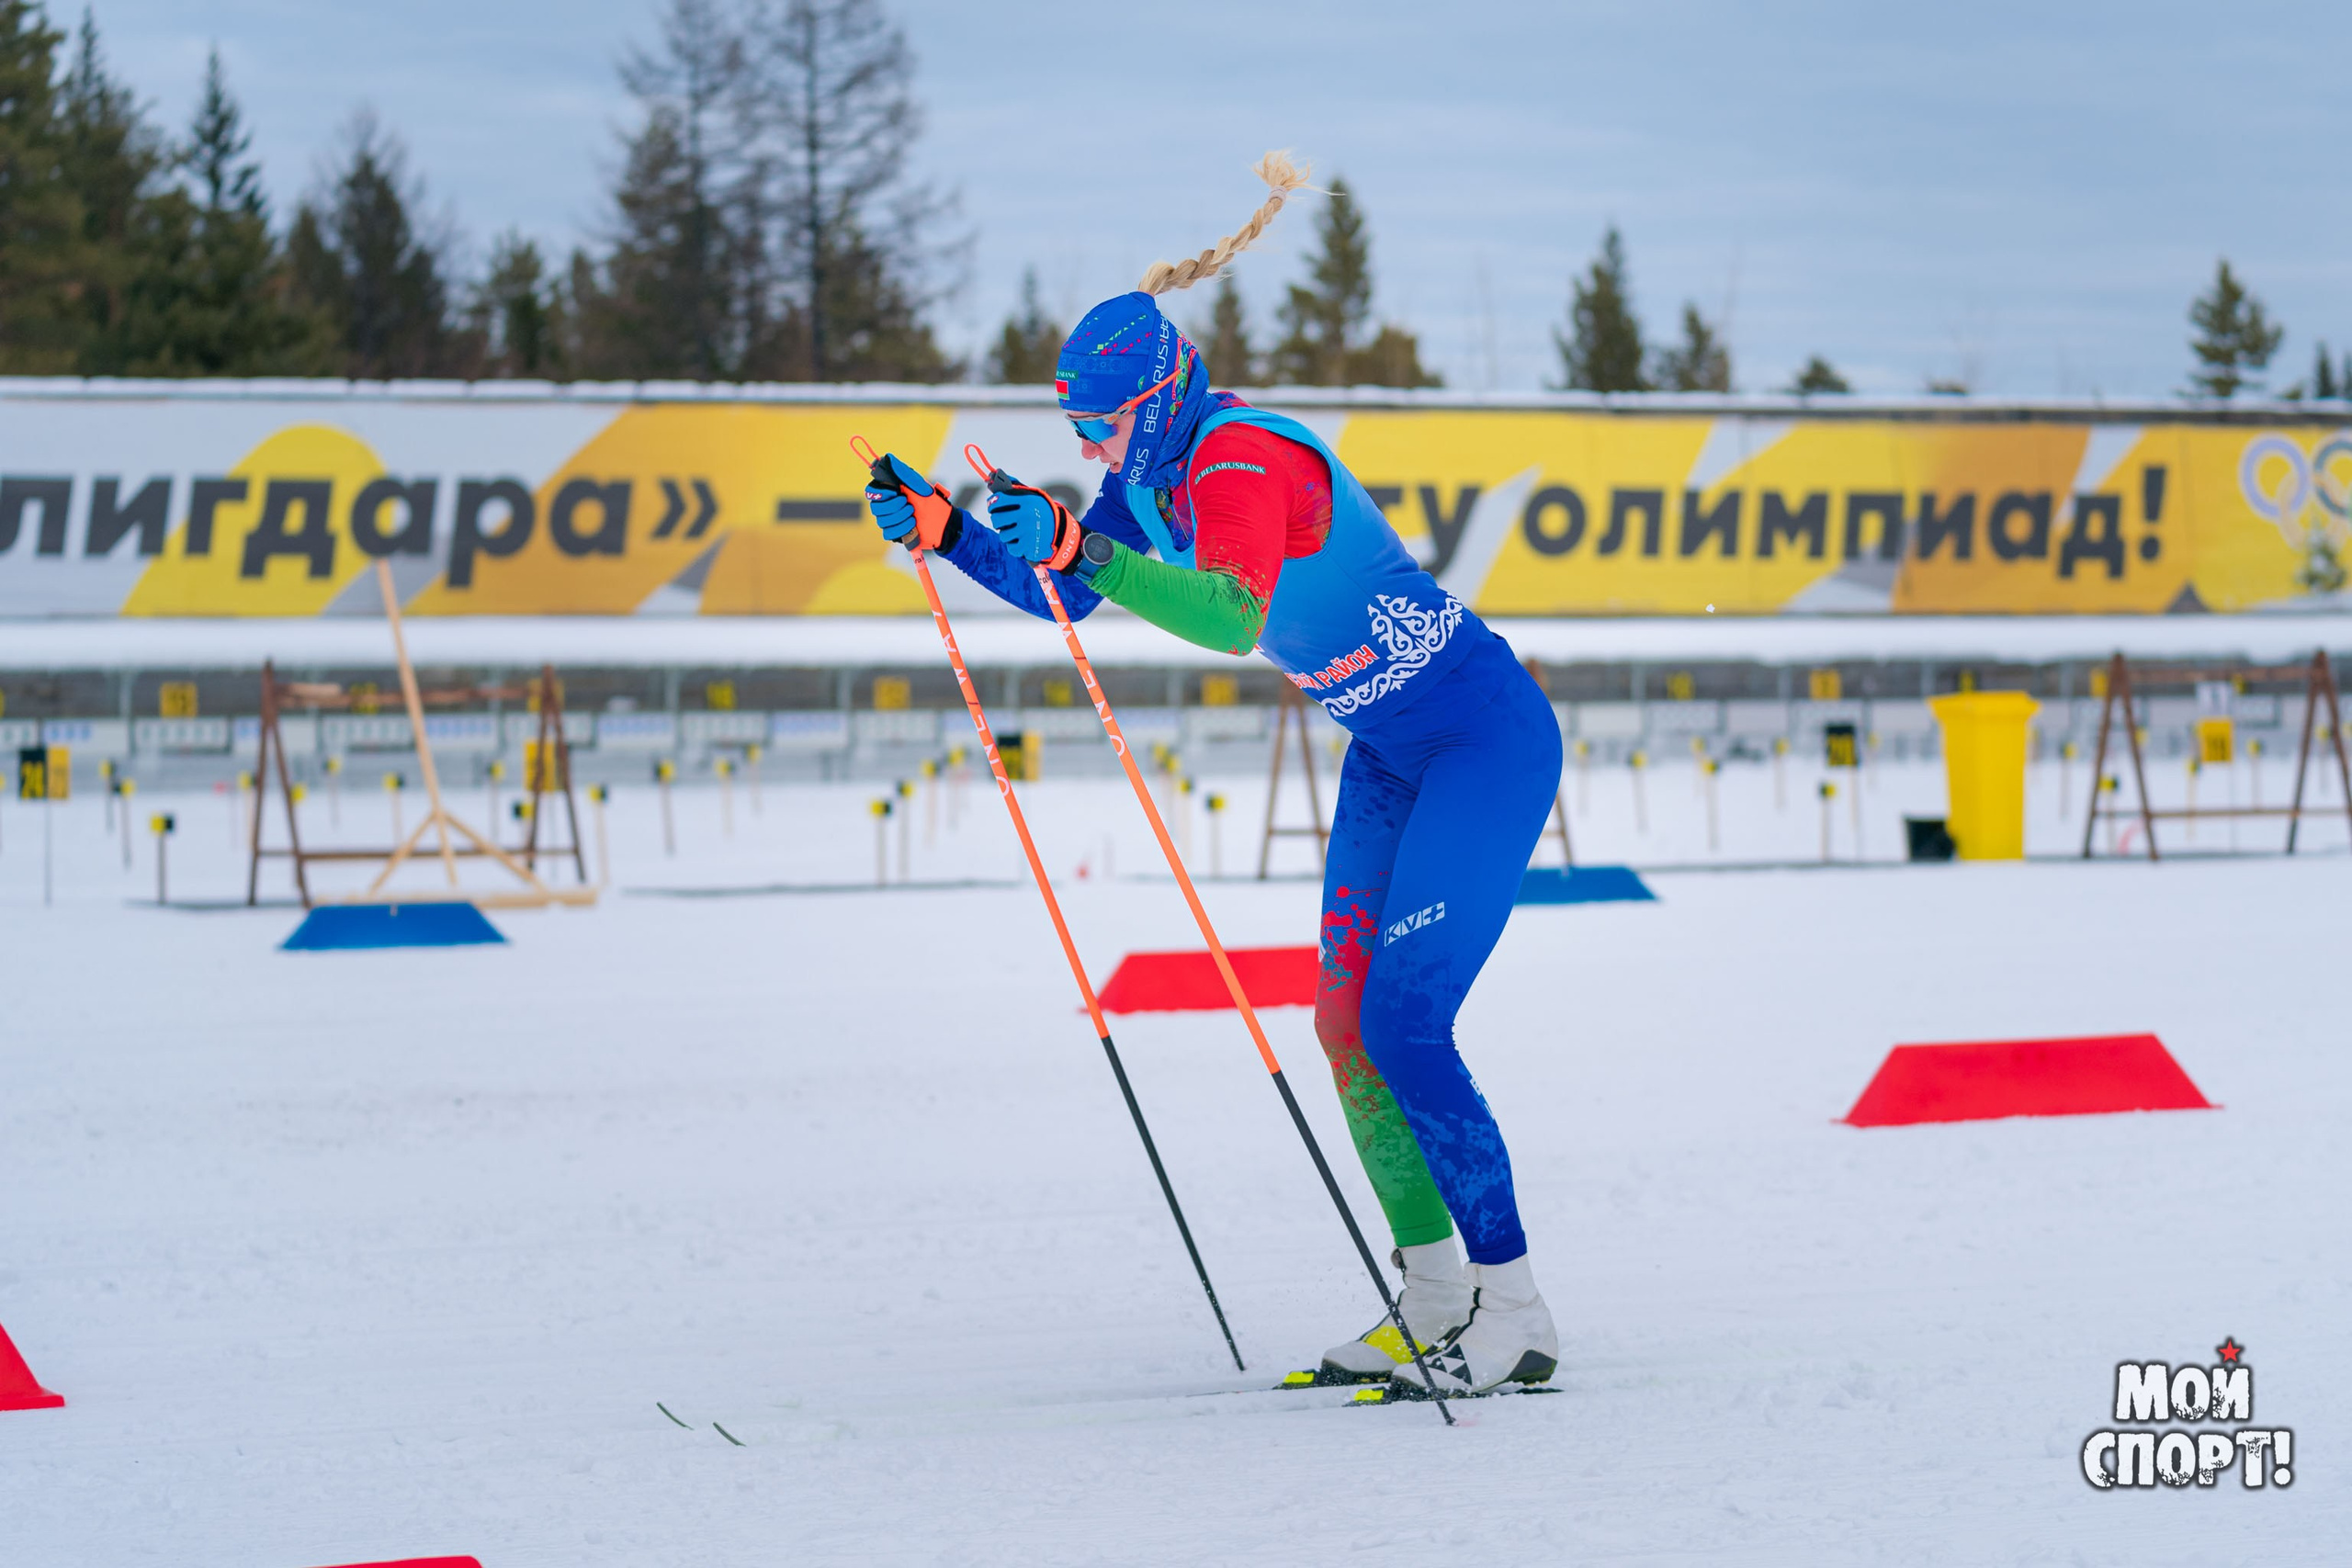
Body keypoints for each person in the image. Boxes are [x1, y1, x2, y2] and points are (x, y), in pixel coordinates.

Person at [864, 153, 1561, 1397]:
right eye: (1073, 430)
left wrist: (1086, 543)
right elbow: (1067, 586)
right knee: (1345, 1030)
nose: (1086, 446)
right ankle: (1437, 1292)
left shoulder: (1236, 460)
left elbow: (1231, 615)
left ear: (1161, 395)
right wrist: (954, 535)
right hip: (1391, 747)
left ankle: (1516, 1309)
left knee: (1406, 1021)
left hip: (1482, 740)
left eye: (1099, 426)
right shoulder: (1152, 474)